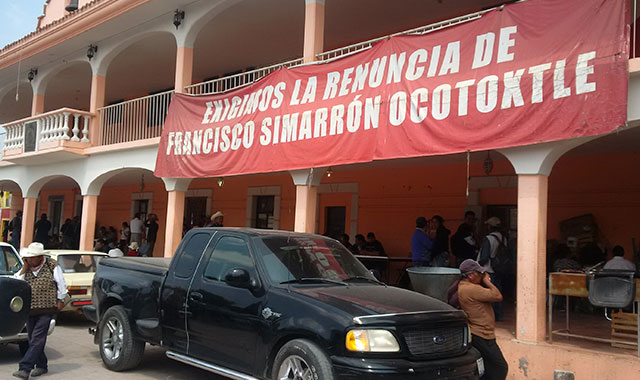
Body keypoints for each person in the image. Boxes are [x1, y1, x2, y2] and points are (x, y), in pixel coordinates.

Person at [12, 242, 68, 379]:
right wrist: (24, 269)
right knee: (33, 340)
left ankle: (25, 368)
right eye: (27, 258)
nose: (28, 260)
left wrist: (60, 300)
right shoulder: (27, 268)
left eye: (31, 258)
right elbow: (16, 282)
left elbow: (61, 284)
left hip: (47, 309)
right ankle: (42, 365)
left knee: (37, 338)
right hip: (30, 310)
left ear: (39, 257)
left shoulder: (52, 265)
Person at [457, 259, 508, 380]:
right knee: (500, 367)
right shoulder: (471, 289)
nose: (481, 276)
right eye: (479, 273)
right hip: (482, 335)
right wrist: (487, 281)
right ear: (470, 275)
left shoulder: (466, 287)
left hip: (481, 334)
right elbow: (497, 296)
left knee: (487, 368)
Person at [477, 217, 507, 321]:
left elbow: (484, 257)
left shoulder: (488, 239)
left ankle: (491, 316)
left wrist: (477, 266)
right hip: (499, 269)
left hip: (488, 270)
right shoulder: (503, 238)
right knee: (498, 292)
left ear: (490, 227)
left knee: (488, 294)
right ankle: (498, 315)